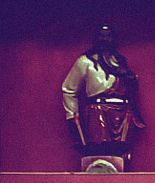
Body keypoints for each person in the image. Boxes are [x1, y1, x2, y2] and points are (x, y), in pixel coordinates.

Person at [61, 25, 145, 168]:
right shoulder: (85, 62)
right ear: (95, 39)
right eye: (101, 36)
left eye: (108, 36)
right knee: (99, 150)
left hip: (121, 113)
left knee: (120, 153)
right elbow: (69, 89)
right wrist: (72, 115)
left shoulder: (120, 62)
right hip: (97, 112)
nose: (105, 40)